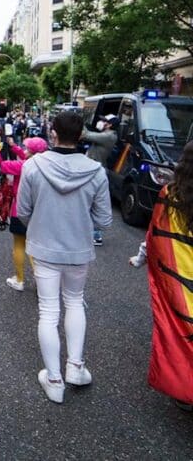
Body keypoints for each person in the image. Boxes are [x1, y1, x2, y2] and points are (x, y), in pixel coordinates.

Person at [17, 111, 112, 404]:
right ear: (81, 135)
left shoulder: (33, 166)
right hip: (78, 249)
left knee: (48, 311)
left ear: (53, 133)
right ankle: (75, 367)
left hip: (44, 247)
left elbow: (22, 211)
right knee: (74, 301)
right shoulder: (96, 171)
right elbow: (104, 220)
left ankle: (54, 379)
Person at [132, 144, 193, 410]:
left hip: (180, 281)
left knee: (182, 333)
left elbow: (156, 235)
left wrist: (142, 256)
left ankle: (184, 387)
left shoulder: (171, 195)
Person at [0, 136, 48, 291]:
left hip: (19, 211)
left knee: (19, 245)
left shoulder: (23, 166)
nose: (24, 150)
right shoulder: (46, 165)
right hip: (39, 211)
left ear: (31, 152)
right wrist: (14, 147)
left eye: (27, 148)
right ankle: (42, 283)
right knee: (35, 248)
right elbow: (24, 155)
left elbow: (1, 165)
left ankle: (19, 280)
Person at [81, 115, 119, 246]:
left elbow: (85, 135)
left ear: (110, 125)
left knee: (93, 202)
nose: (101, 122)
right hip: (94, 169)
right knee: (90, 201)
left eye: (104, 121)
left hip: (96, 172)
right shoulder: (105, 135)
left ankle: (96, 235)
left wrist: (79, 122)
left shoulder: (109, 136)